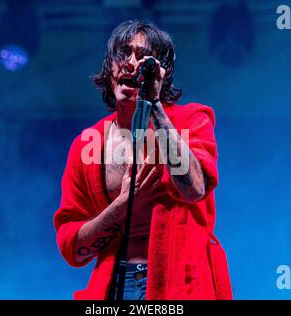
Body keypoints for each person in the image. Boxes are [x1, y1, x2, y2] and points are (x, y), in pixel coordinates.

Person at [53, 20, 232, 300]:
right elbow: (71, 247)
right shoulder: (86, 144)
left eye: (142, 57)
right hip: (115, 286)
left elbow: (194, 188)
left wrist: (155, 104)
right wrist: (121, 207)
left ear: (159, 73)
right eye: (122, 54)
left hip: (182, 287)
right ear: (109, 66)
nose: (130, 63)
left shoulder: (191, 120)